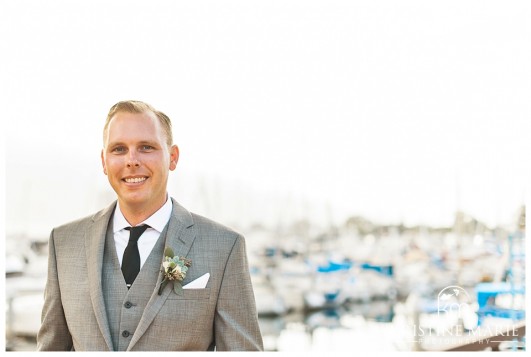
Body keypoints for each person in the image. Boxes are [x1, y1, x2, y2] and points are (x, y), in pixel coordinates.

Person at [37, 100, 263, 351]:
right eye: (119, 149)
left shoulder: (225, 247)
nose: (132, 160)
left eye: (146, 147)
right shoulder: (64, 243)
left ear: (172, 157)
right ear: (104, 161)